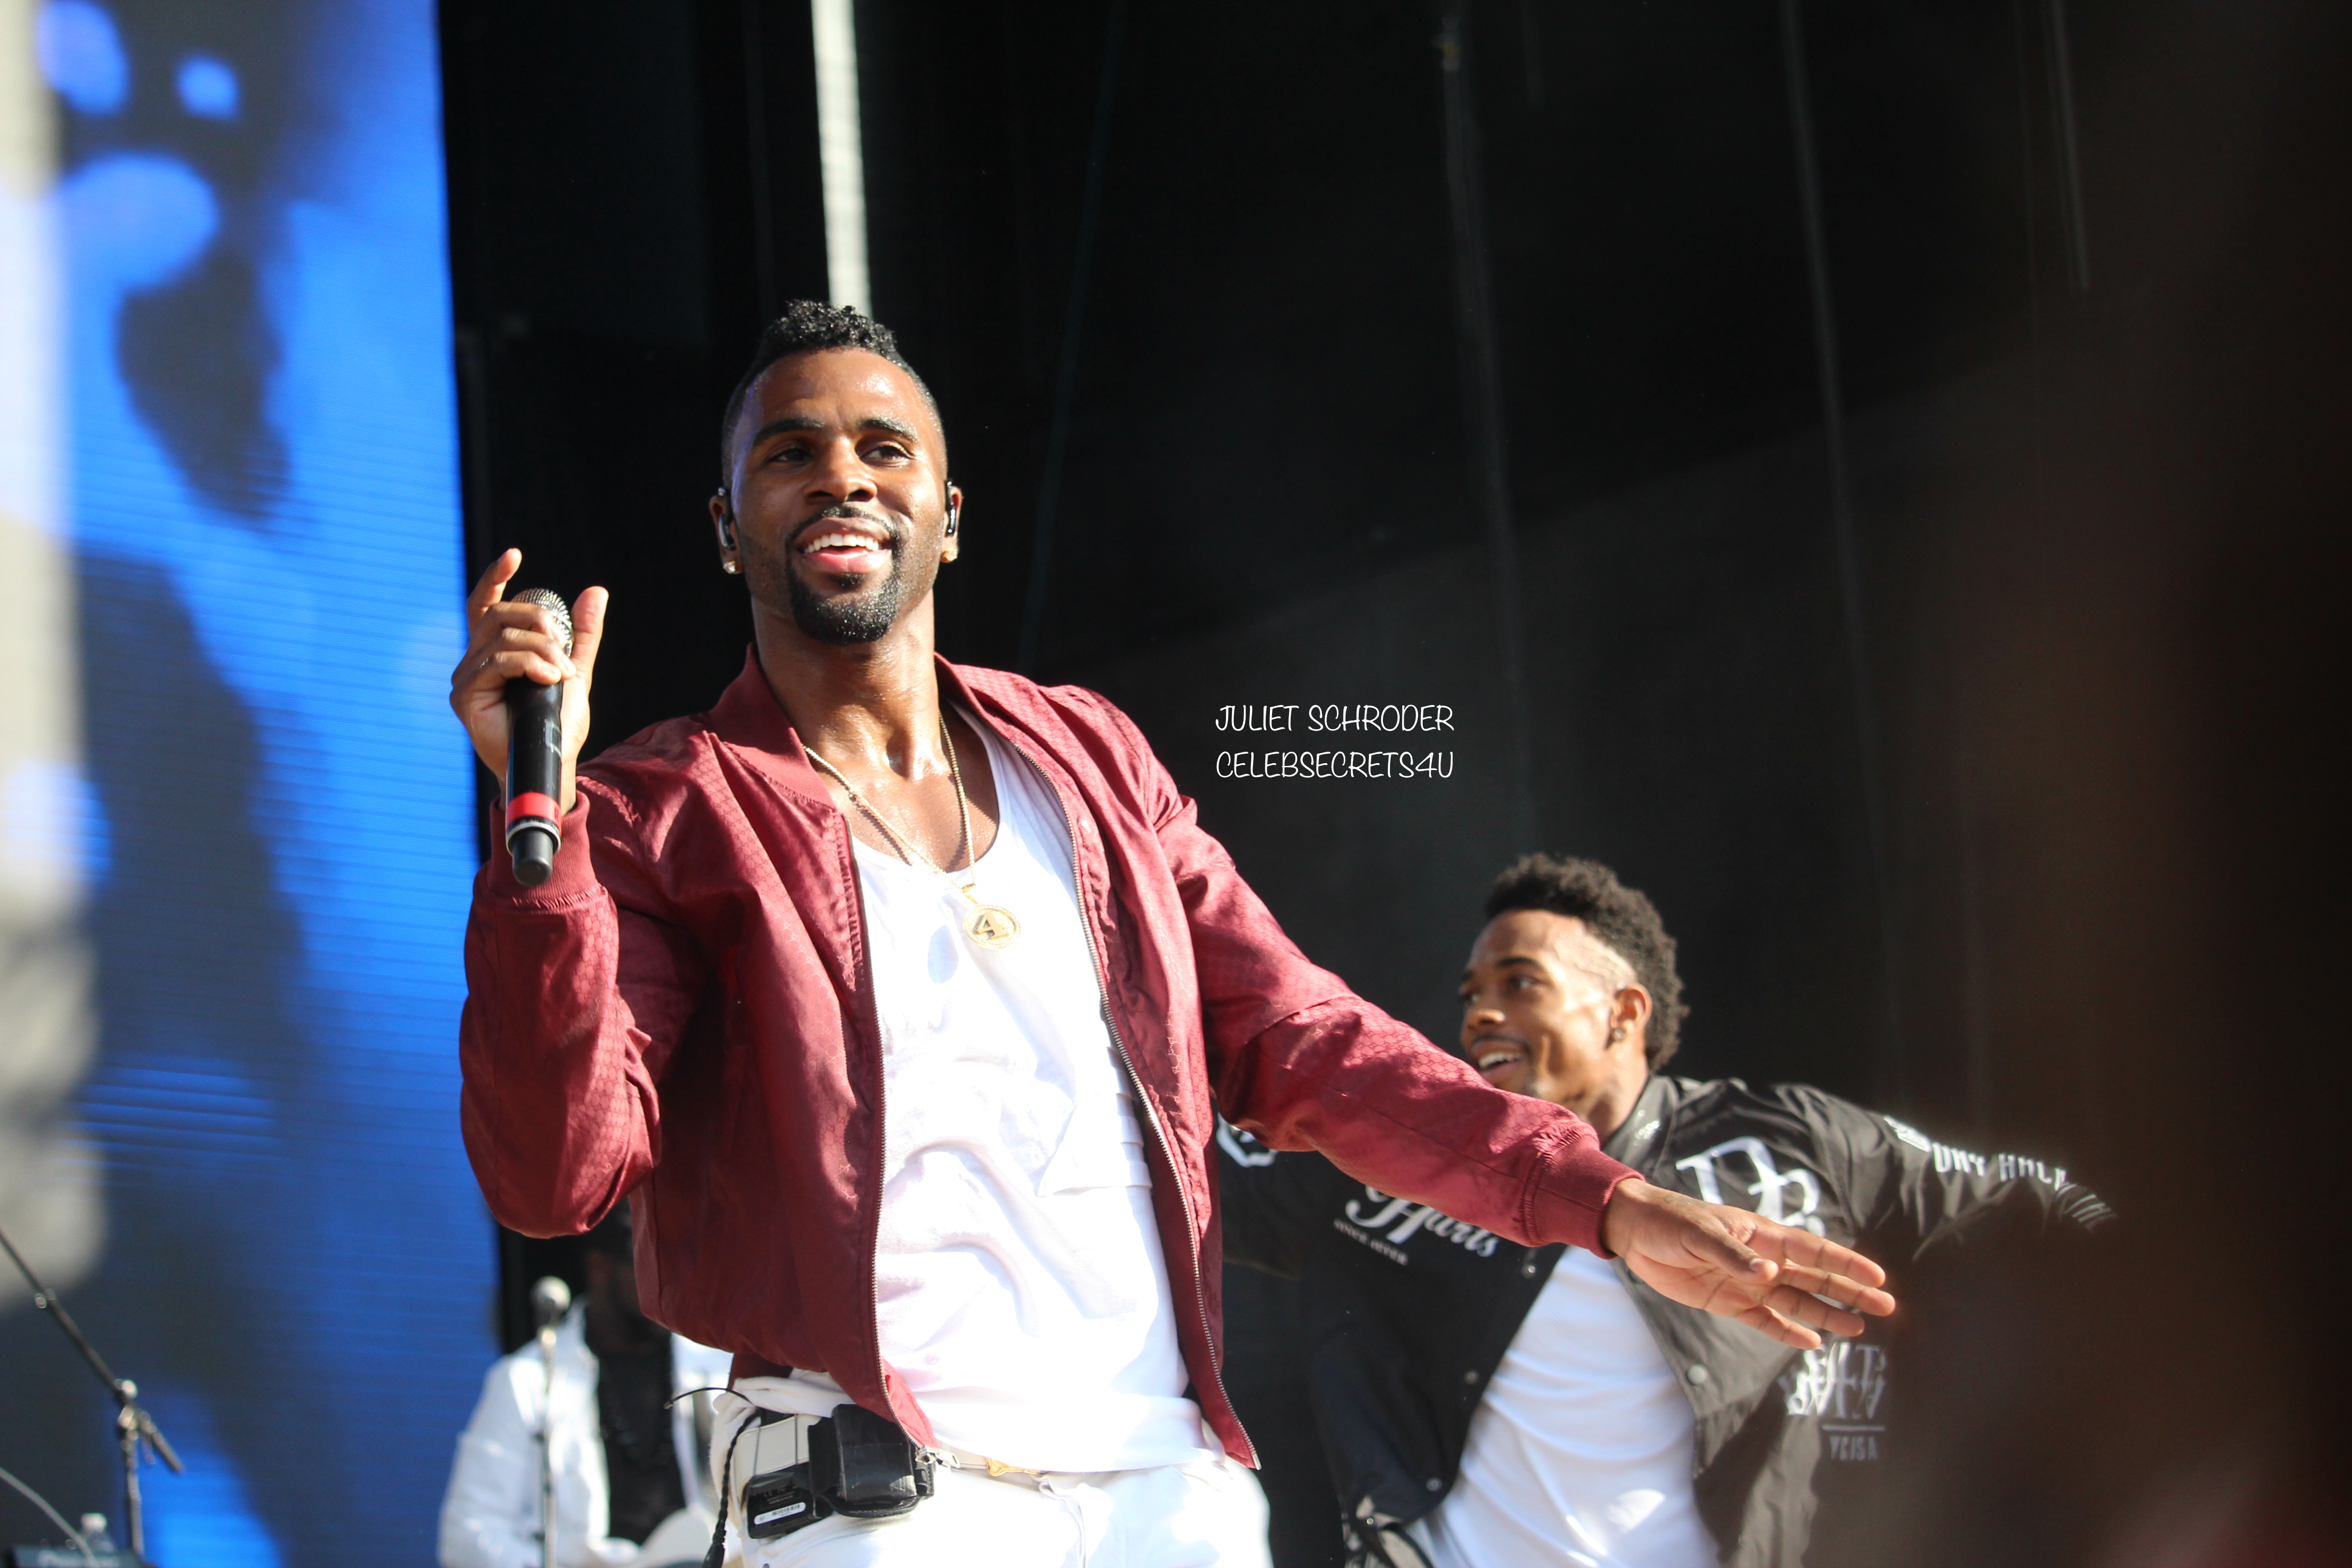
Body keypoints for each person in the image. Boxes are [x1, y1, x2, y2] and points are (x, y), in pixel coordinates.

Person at [447, 302, 1894, 1568]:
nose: (843, 475)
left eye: (885, 448)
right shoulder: (656, 810)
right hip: (876, 1506)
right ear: (726, 528)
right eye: (790, 453)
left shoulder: (1088, 760)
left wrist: (1605, 1200)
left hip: (1167, 1496)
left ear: (949, 511)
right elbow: (556, 1176)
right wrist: (545, 850)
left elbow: (1307, 1040)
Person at [1218, 855, 2115, 1568]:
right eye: (1470, 996)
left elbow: (2033, 1202)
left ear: (1623, 1013)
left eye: (1519, 983)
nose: (1481, 1014)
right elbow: (1188, 1166)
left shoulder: (1792, 1144)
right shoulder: (1387, 1157)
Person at [440, 1210, 734, 1568]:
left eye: (675, 1272)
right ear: (600, 1268)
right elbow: (467, 1536)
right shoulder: (530, 1380)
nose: (668, 1288)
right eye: (650, 1272)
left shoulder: (717, 1368)